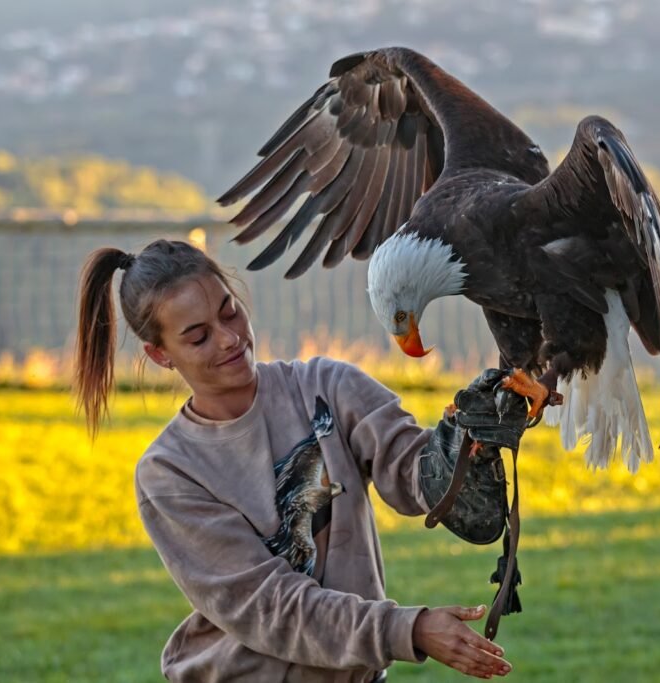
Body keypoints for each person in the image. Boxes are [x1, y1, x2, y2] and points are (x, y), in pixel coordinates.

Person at [73, 239, 527, 682]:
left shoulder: (326, 386)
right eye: (198, 337)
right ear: (160, 355)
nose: (230, 338)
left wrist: (466, 445)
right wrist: (406, 629)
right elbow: (272, 608)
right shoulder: (170, 473)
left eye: (229, 311)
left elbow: (416, 473)